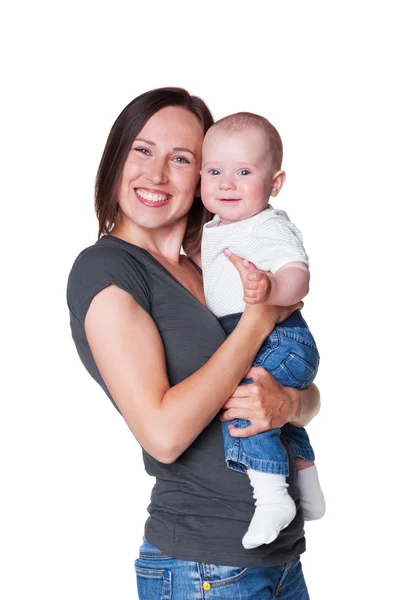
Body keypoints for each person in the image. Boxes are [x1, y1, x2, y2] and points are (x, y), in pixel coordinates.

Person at [67, 87, 320, 599]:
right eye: (142, 149)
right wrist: (259, 317)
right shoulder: (106, 270)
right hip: (203, 565)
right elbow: (162, 434)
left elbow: (301, 389)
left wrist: (290, 402)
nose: (157, 175)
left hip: (280, 560)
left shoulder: (216, 265)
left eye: (181, 158)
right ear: (115, 157)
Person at [200, 112, 326, 552]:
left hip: (282, 338)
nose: (227, 184)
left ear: (275, 183)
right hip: (267, 337)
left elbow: (299, 273)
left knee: (244, 404)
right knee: (276, 416)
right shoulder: (214, 229)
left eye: (244, 172)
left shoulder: (268, 225)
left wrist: (272, 288)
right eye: (214, 172)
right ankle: (306, 482)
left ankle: (273, 498)